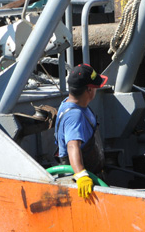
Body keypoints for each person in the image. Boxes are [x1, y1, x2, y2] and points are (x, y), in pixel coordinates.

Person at [54, 64, 109, 199]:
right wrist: (81, 174)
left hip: (95, 173)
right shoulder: (75, 115)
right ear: (89, 90)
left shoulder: (71, 104)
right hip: (84, 185)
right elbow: (72, 145)